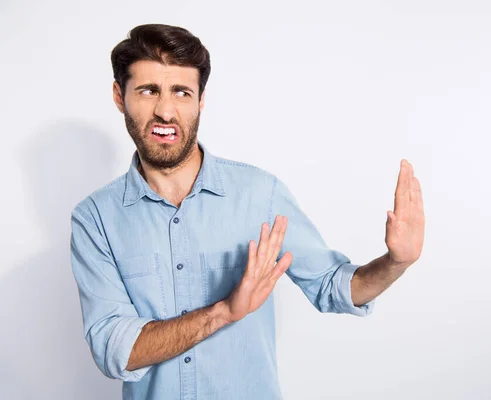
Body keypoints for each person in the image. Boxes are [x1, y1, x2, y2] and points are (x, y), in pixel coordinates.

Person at [70, 23, 425, 400]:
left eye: (181, 92)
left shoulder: (261, 195)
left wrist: (395, 263)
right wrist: (224, 311)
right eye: (148, 91)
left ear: (200, 100)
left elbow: (331, 286)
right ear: (118, 95)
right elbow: (113, 348)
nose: (165, 111)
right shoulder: (96, 219)